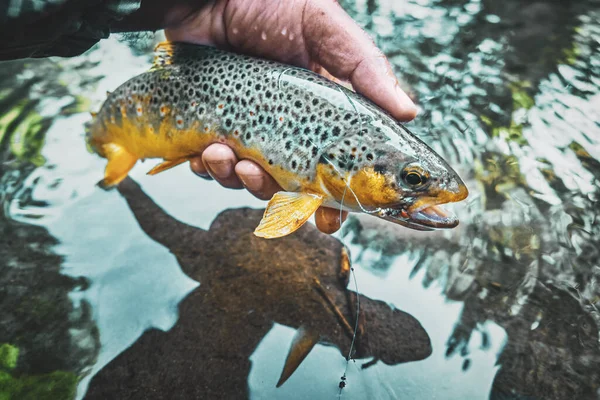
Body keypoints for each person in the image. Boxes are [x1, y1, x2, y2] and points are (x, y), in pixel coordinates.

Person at [1, 0, 417, 233]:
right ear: (352, 156)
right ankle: (110, 150)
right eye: (411, 179)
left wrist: (197, 5)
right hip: (140, 106)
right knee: (129, 152)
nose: (413, 187)